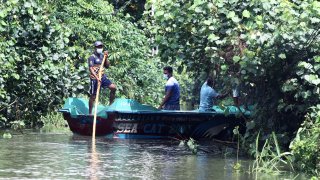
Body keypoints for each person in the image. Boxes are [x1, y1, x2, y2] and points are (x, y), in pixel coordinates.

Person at [88, 41, 116, 114]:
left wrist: (106, 57)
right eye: (98, 47)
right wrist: (97, 78)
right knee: (93, 96)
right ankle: (90, 113)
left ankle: (110, 105)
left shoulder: (102, 56)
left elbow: (107, 66)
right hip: (95, 78)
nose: (100, 48)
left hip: (102, 77)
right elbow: (91, 69)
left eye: (101, 47)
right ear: (95, 48)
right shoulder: (92, 57)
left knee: (113, 87)